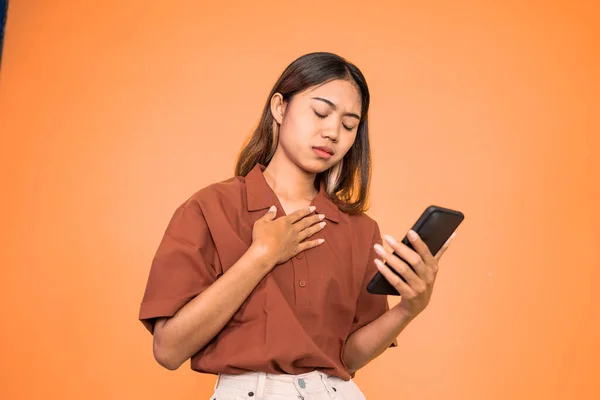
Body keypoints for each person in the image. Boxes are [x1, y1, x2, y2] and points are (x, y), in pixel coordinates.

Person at [138, 52, 455, 400]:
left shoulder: (360, 230)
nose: (333, 132)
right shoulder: (210, 208)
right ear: (279, 107)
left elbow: (345, 359)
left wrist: (410, 308)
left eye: (349, 125)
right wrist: (261, 255)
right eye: (320, 112)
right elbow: (168, 350)